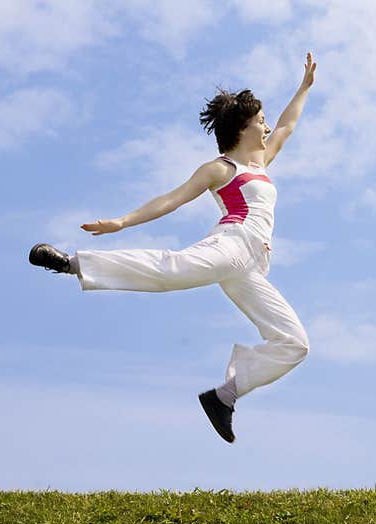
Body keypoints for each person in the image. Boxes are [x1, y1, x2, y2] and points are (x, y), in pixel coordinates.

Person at [29, 53, 317, 444]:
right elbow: (173, 199)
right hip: (233, 244)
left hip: (251, 266)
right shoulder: (221, 169)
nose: (267, 127)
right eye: (261, 121)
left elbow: (289, 124)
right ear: (244, 128)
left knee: (294, 342)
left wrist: (303, 88)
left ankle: (223, 397)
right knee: (172, 271)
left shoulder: (262, 161)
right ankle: (72, 263)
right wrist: (122, 222)